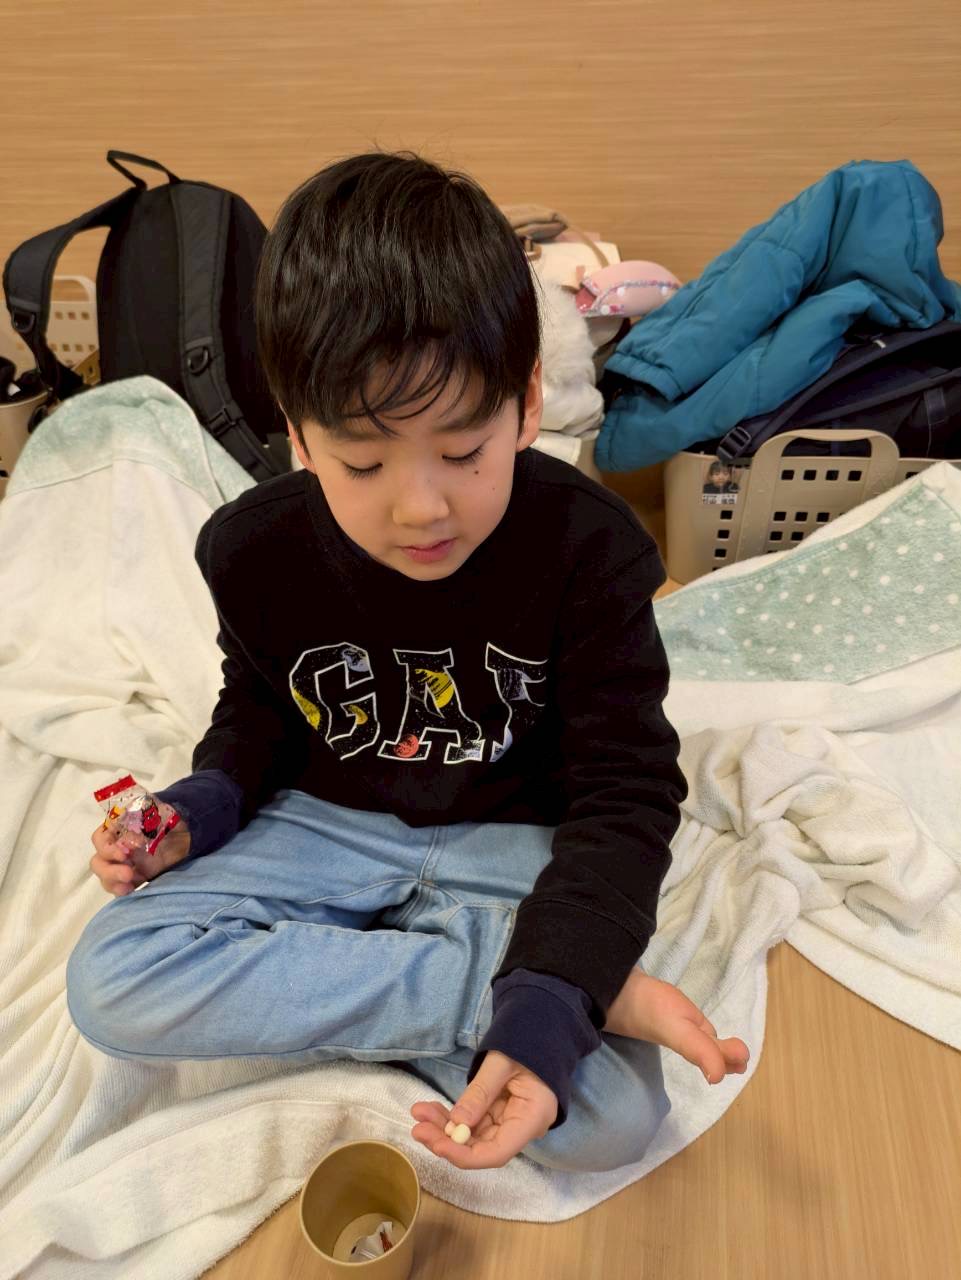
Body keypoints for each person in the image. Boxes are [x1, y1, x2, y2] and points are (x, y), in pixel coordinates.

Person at [67, 150, 749, 1175]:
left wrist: (560, 962)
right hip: (322, 825)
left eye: (464, 451)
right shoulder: (250, 548)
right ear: (298, 435)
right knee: (112, 977)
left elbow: (627, 790)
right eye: (362, 461)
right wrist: (196, 810)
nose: (421, 507)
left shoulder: (592, 548)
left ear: (526, 401)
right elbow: (257, 713)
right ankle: (496, 989)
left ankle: (505, 987)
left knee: (611, 1119)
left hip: (505, 840)